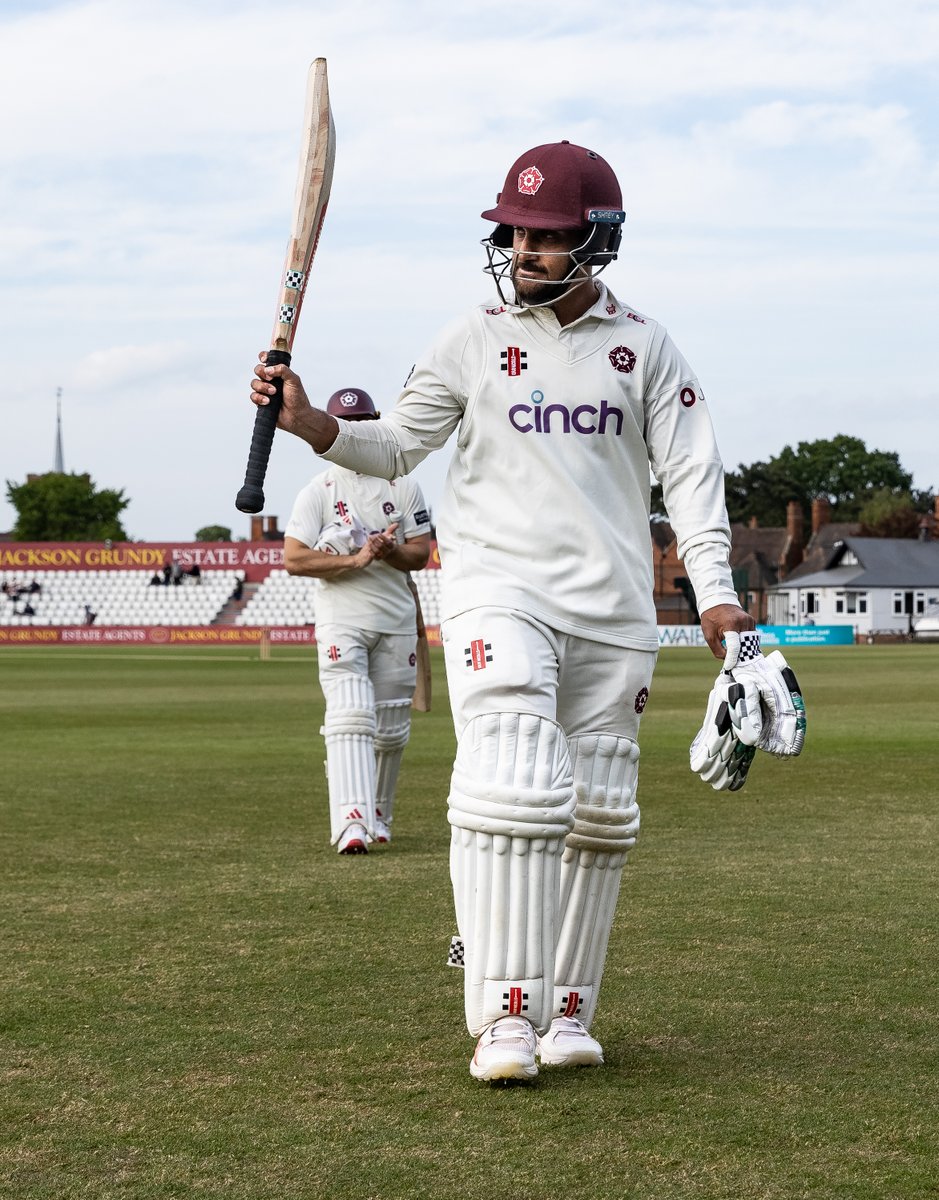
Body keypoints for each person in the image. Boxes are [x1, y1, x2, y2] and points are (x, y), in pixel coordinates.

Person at [249, 140, 787, 1083]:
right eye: (515, 235)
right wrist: (310, 424)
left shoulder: (646, 347)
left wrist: (715, 598)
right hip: (497, 590)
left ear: (598, 239)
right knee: (511, 785)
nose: (525, 251)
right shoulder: (471, 338)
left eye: (546, 236)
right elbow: (394, 445)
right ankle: (502, 1015)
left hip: (613, 610)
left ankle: (567, 1013)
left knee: (598, 813)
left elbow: (693, 479)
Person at [283, 387, 432, 854]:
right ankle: (351, 823)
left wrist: (388, 551)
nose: (356, 429)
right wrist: (355, 560)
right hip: (341, 619)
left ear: (376, 422)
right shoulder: (319, 490)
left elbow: (421, 554)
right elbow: (293, 559)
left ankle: (379, 814)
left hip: (395, 619)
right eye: (348, 422)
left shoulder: (404, 485)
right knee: (349, 717)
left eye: (364, 421)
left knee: (390, 731)